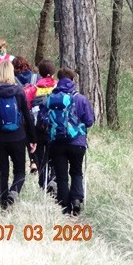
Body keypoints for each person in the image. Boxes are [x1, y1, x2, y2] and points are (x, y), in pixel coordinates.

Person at [0, 60, 37, 210]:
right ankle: (14, 192)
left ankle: (3, 204)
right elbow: (28, 117)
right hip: (18, 136)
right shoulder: (19, 91)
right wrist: (33, 138)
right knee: (20, 170)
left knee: (3, 171)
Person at [46, 68, 94, 215]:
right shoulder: (80, 98)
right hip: (77, 142)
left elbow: (42, 119)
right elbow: (89, 121)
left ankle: (64, 206)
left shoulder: (51, 98)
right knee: (76, 171)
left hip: (56, 143)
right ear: (73, 81)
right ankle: (77, 200)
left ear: (58, 80)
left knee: (61, 175)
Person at [30, 59, 57, 191]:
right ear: (53, 73)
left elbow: (28, 108)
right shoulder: (57, 88)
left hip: (38, 128)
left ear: (40, 73)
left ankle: (43, 180)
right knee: (53, 155)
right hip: (54, 128)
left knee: (40, 157)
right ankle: (53, 177)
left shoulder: (34, 89)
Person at [12, 56, 39, 173]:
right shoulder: (35, 77)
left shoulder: (13, 80)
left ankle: (25, 163)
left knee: (25, 137)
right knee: (34, 137)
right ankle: (34, 160)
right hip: (35, 112)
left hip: (20, 113)